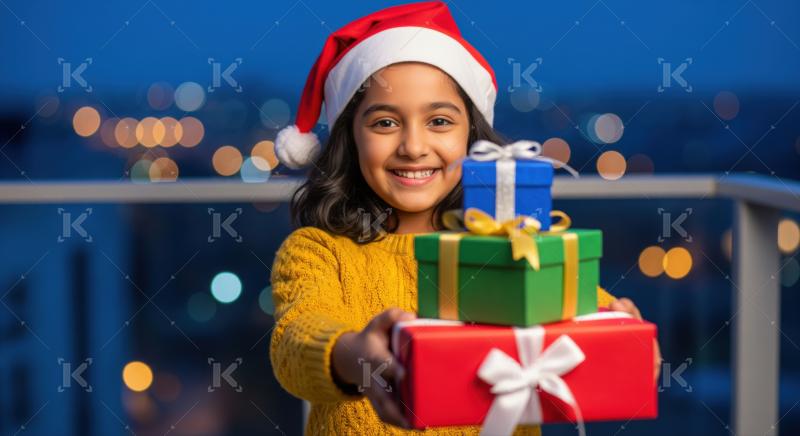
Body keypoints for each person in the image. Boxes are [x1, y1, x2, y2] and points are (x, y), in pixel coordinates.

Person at [269, 2, 660, 434]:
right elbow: (295, 338)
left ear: (472, 134)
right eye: (384, 123)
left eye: (439, 121)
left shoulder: (514, 246)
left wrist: (625, 334)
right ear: (351, 137)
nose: (413, 147)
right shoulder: (318, 252)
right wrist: (355, 352)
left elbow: (587, 315)